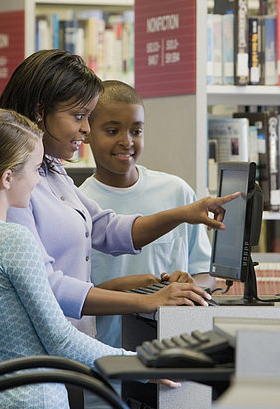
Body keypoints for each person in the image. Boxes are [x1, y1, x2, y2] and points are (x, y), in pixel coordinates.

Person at [0, 50, 239, 338]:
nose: (85, 129)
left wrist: (183, 213)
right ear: (39, 111)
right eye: (78, 116)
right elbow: (47, 286)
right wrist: (146, 300)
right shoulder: (14, 186)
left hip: (71, 345)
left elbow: (106, 228)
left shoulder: (51, 170)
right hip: (46, 354)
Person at [0, 108, 135, 409]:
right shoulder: (13, 240)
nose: (37, 182)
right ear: (8, 177)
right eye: (36, 170)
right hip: (35, 400)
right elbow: (61, 341)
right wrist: (142, 365)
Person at [80, 80, 217, 408]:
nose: (126, 141)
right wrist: (134, 290)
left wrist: (187, 285)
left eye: (136, 131)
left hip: (173, 363)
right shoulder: (78, 203)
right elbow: (73, 298)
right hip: (108, 368)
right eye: (112, 130)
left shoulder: (177, 193)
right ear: (86, 133)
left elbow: (207, 274)